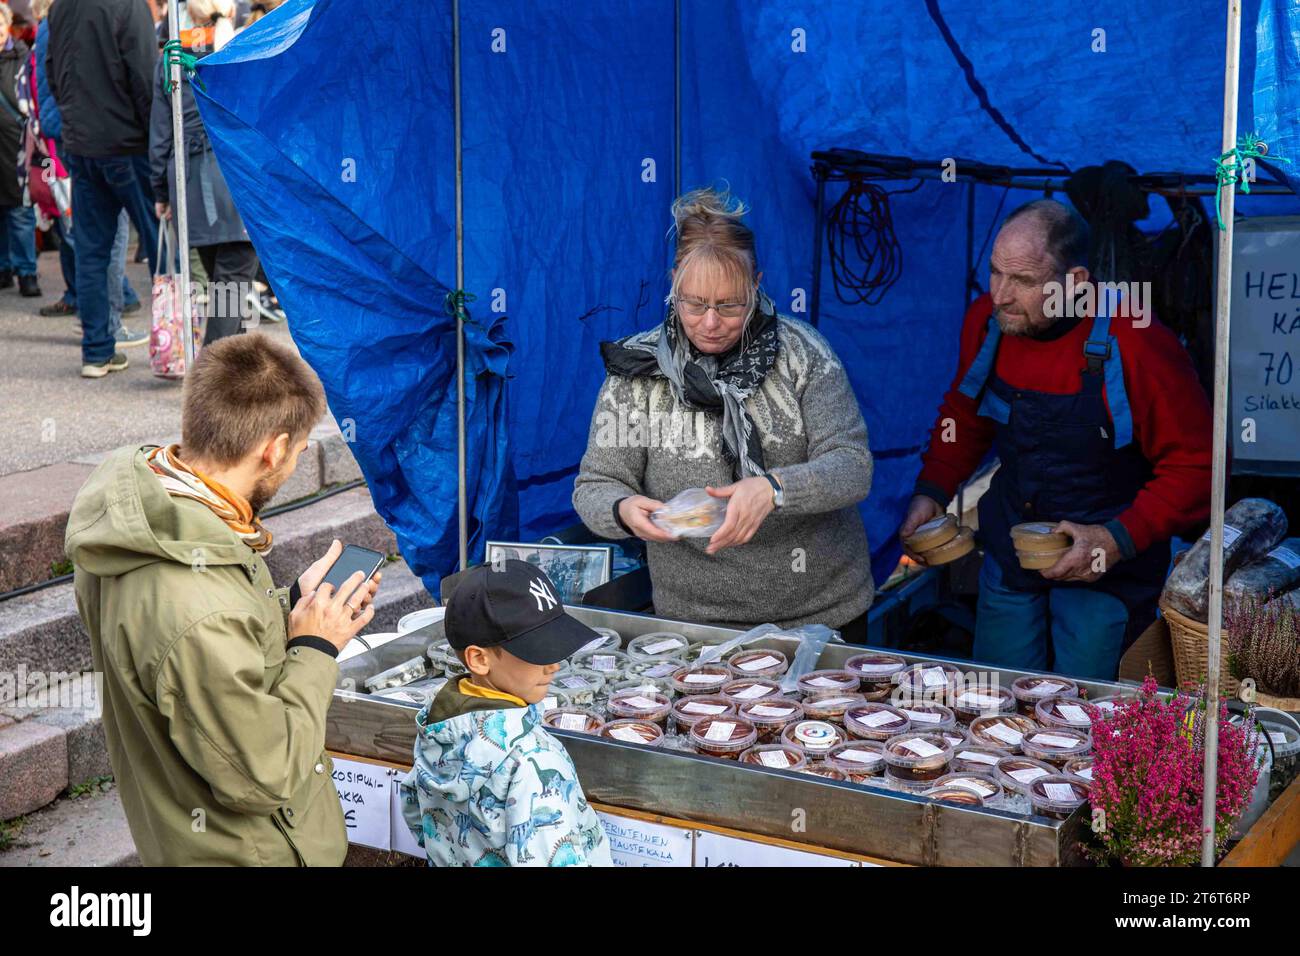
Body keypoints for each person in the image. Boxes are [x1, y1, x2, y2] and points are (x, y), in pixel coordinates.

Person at [66, 334, 381, 866]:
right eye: (299, 453)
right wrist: (315, 648)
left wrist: (291, 607)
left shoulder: (152, 520)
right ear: (274, 448)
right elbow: (266, 774)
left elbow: (200, 663)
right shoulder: (198, 601)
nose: (292, 465)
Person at [899, 199, 1212, 680]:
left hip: (1109, 570)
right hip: (1009, 556)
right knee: (998, 708)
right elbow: (965, 414)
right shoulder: (989, 324)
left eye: (1022, 281)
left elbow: (1199, 468)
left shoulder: (1137, 339)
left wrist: (1114, 539)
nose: (1000, 294)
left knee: (1087, 719)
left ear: (1076, 282)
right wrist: (932, 490)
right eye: (996, 272)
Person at [572, 187, 874, 640]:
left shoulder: (803, 355)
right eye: (694, 304)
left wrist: (774, 489)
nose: (710, 323)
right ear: (674, 281)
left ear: (756, 283)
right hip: (692, 624)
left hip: (819, 614)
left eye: (730, 305)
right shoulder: (636, 372)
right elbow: (595, 485)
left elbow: (852, 467)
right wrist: (622, 508)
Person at [399, 560, 612, 867]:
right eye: (537, 650)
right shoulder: (533, 759)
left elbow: (415, 812)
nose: (554, 665)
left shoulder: (436, 725)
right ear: (479, 659)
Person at [46, 0, 160, 377]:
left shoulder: (61, 8)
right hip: (127, 145)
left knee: (92, 251)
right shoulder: (128, 6)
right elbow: (145, 77)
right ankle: (175, 344)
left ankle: (96, 350)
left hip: (82, 143)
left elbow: (52, 72)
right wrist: (154, 138)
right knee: (163, 245)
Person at [150, 0, 257, 344]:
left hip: (189, 182)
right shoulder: (242, 48)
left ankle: (234, 379)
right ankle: (213, 377)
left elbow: (161, 133)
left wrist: (161, 192)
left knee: (225, 286)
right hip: (237, 177)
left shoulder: (170, 58)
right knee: (231, 286)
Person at [0, 5, 40, 298]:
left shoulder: (23, 56)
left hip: (17, 148)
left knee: (20, 211)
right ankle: (3, 268)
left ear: (7, 27)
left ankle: (27, 271)